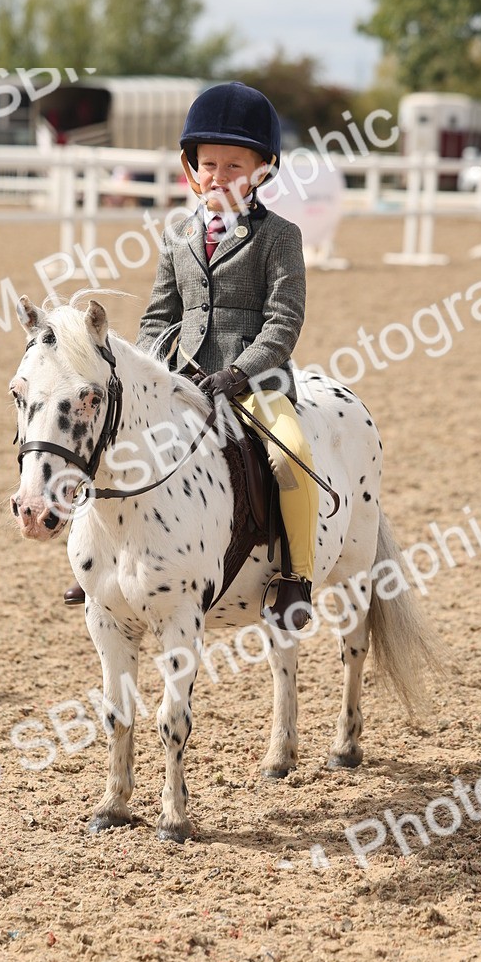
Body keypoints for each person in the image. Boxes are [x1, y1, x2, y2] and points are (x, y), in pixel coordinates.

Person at [64, 82, 318, 629]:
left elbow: (283, 322)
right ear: (191, 168)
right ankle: (97, 562)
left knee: (289, 457)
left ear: (262, 170)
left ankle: (297, 575)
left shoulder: (280, 237)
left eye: (233, 165)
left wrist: (238, 373)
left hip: (256, 383)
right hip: (184, 380)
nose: (219, 176)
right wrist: (151, 373)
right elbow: (159, 314)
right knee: (114, 445)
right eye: (209, 164)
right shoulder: (178, 233)